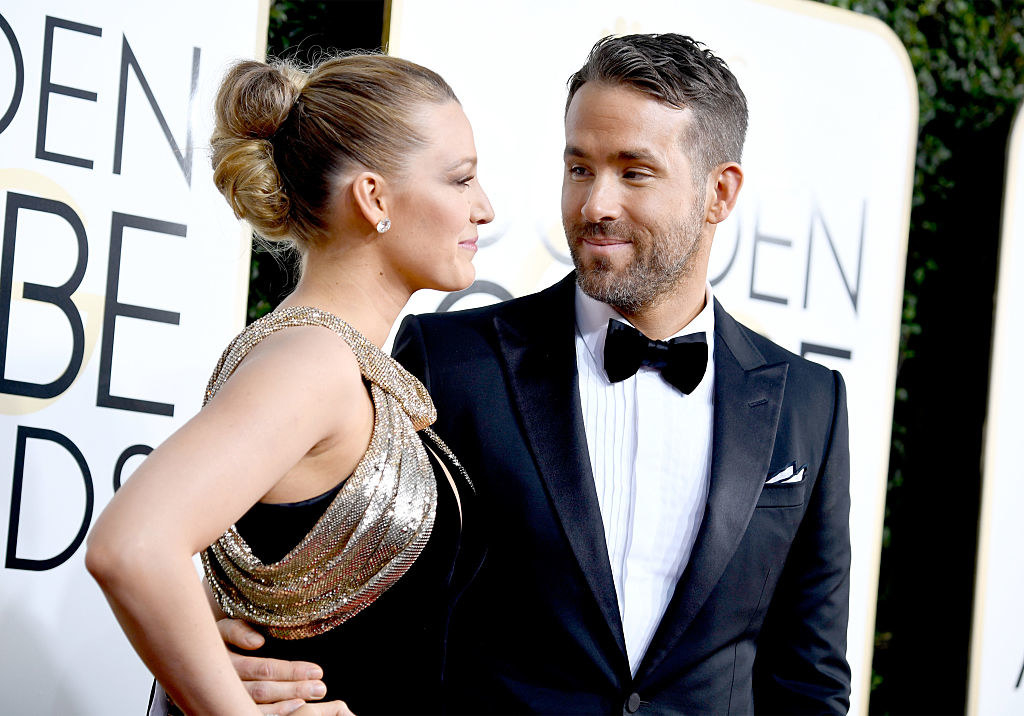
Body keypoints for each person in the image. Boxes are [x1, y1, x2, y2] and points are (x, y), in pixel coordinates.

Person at [220, 33, 852, 714]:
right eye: (579, 168)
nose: (595, 205)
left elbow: (809, 681)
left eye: (634, 172)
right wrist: (226, 650)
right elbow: (332, 572)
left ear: (718, 192)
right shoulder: (452, 363)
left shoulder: (808, 404)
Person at [85, 53, 493, 716]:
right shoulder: (314, 361)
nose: (484, 209)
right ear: (374, 198)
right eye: (462, 180)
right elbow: (131, 546)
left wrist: (210, 661)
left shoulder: (325, 356)